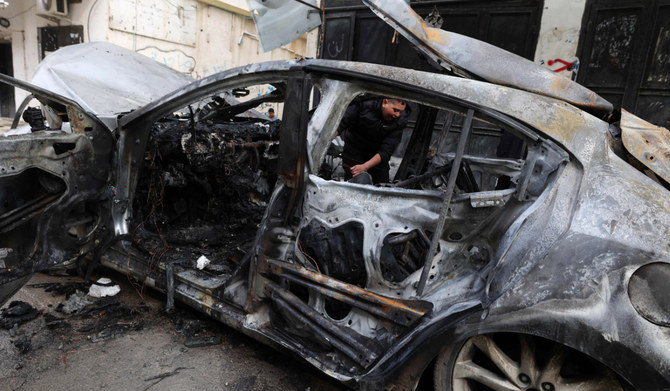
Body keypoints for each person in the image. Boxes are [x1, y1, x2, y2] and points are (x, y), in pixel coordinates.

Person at [336, 96, 410, 184]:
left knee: (383, 186)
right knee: (352, 183)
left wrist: (364, 167)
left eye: (400, 112)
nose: (397, 115)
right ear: (385, 102)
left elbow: (386, 150)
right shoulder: (364, 105)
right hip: (354, 150)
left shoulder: (399, 122)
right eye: (395, 110)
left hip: (377, 156)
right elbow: (341, 124)